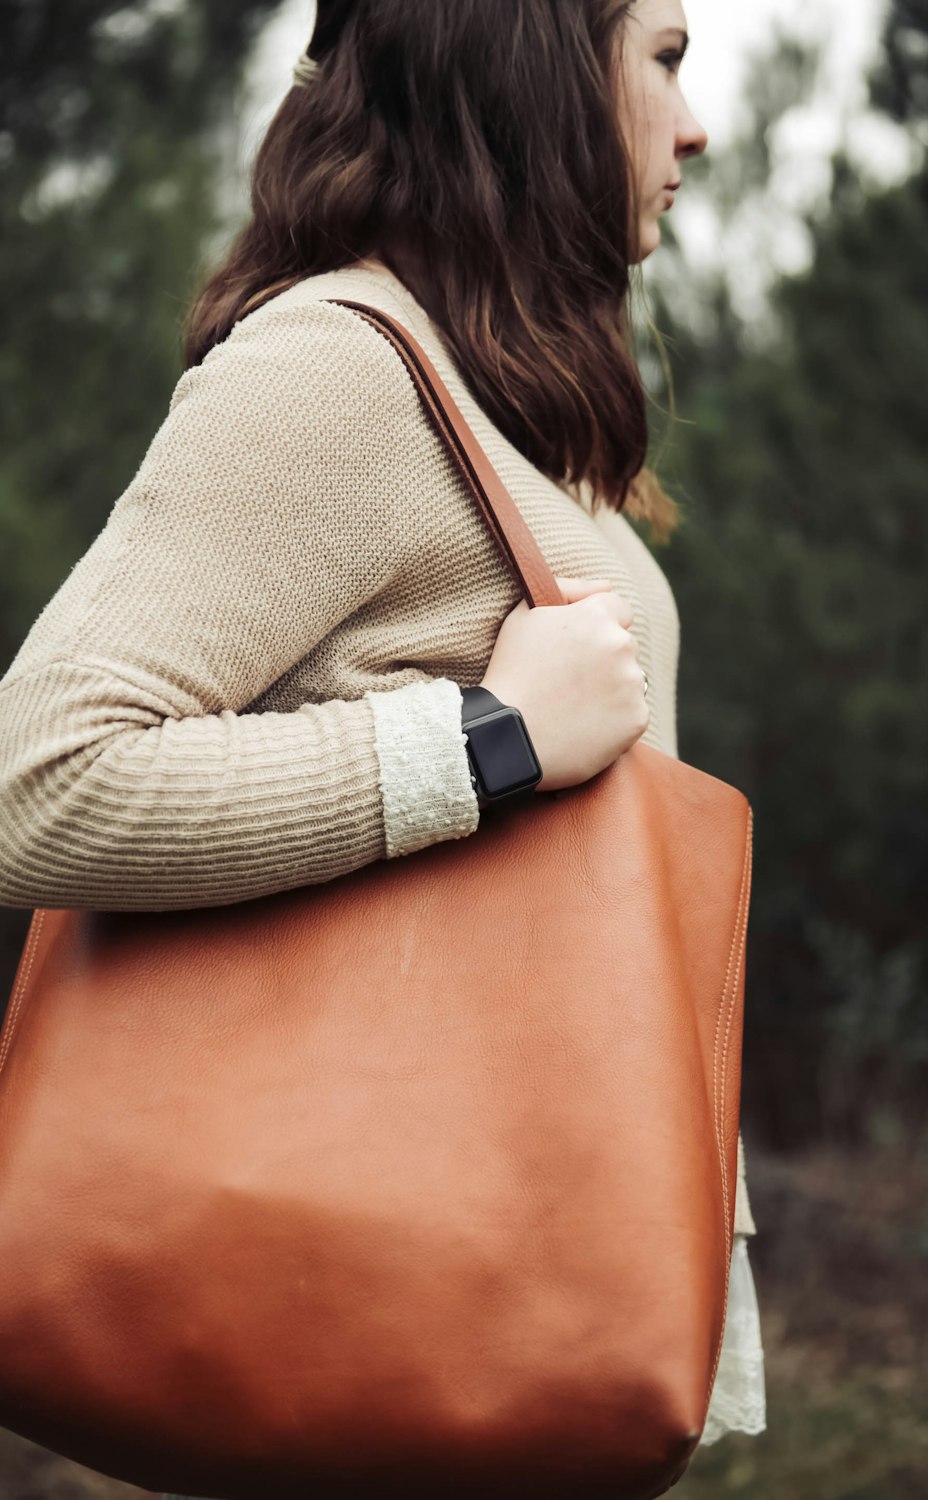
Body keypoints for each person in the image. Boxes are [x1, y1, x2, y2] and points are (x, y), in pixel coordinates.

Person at [0, 0, 766, 1488]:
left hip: (526, 1239)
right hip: (384, 1265)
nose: (698, 125)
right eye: (665, 55)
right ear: (530, 58)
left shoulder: (501, 402)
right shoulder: (338, 369)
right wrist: (486, 740)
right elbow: (40, 782)